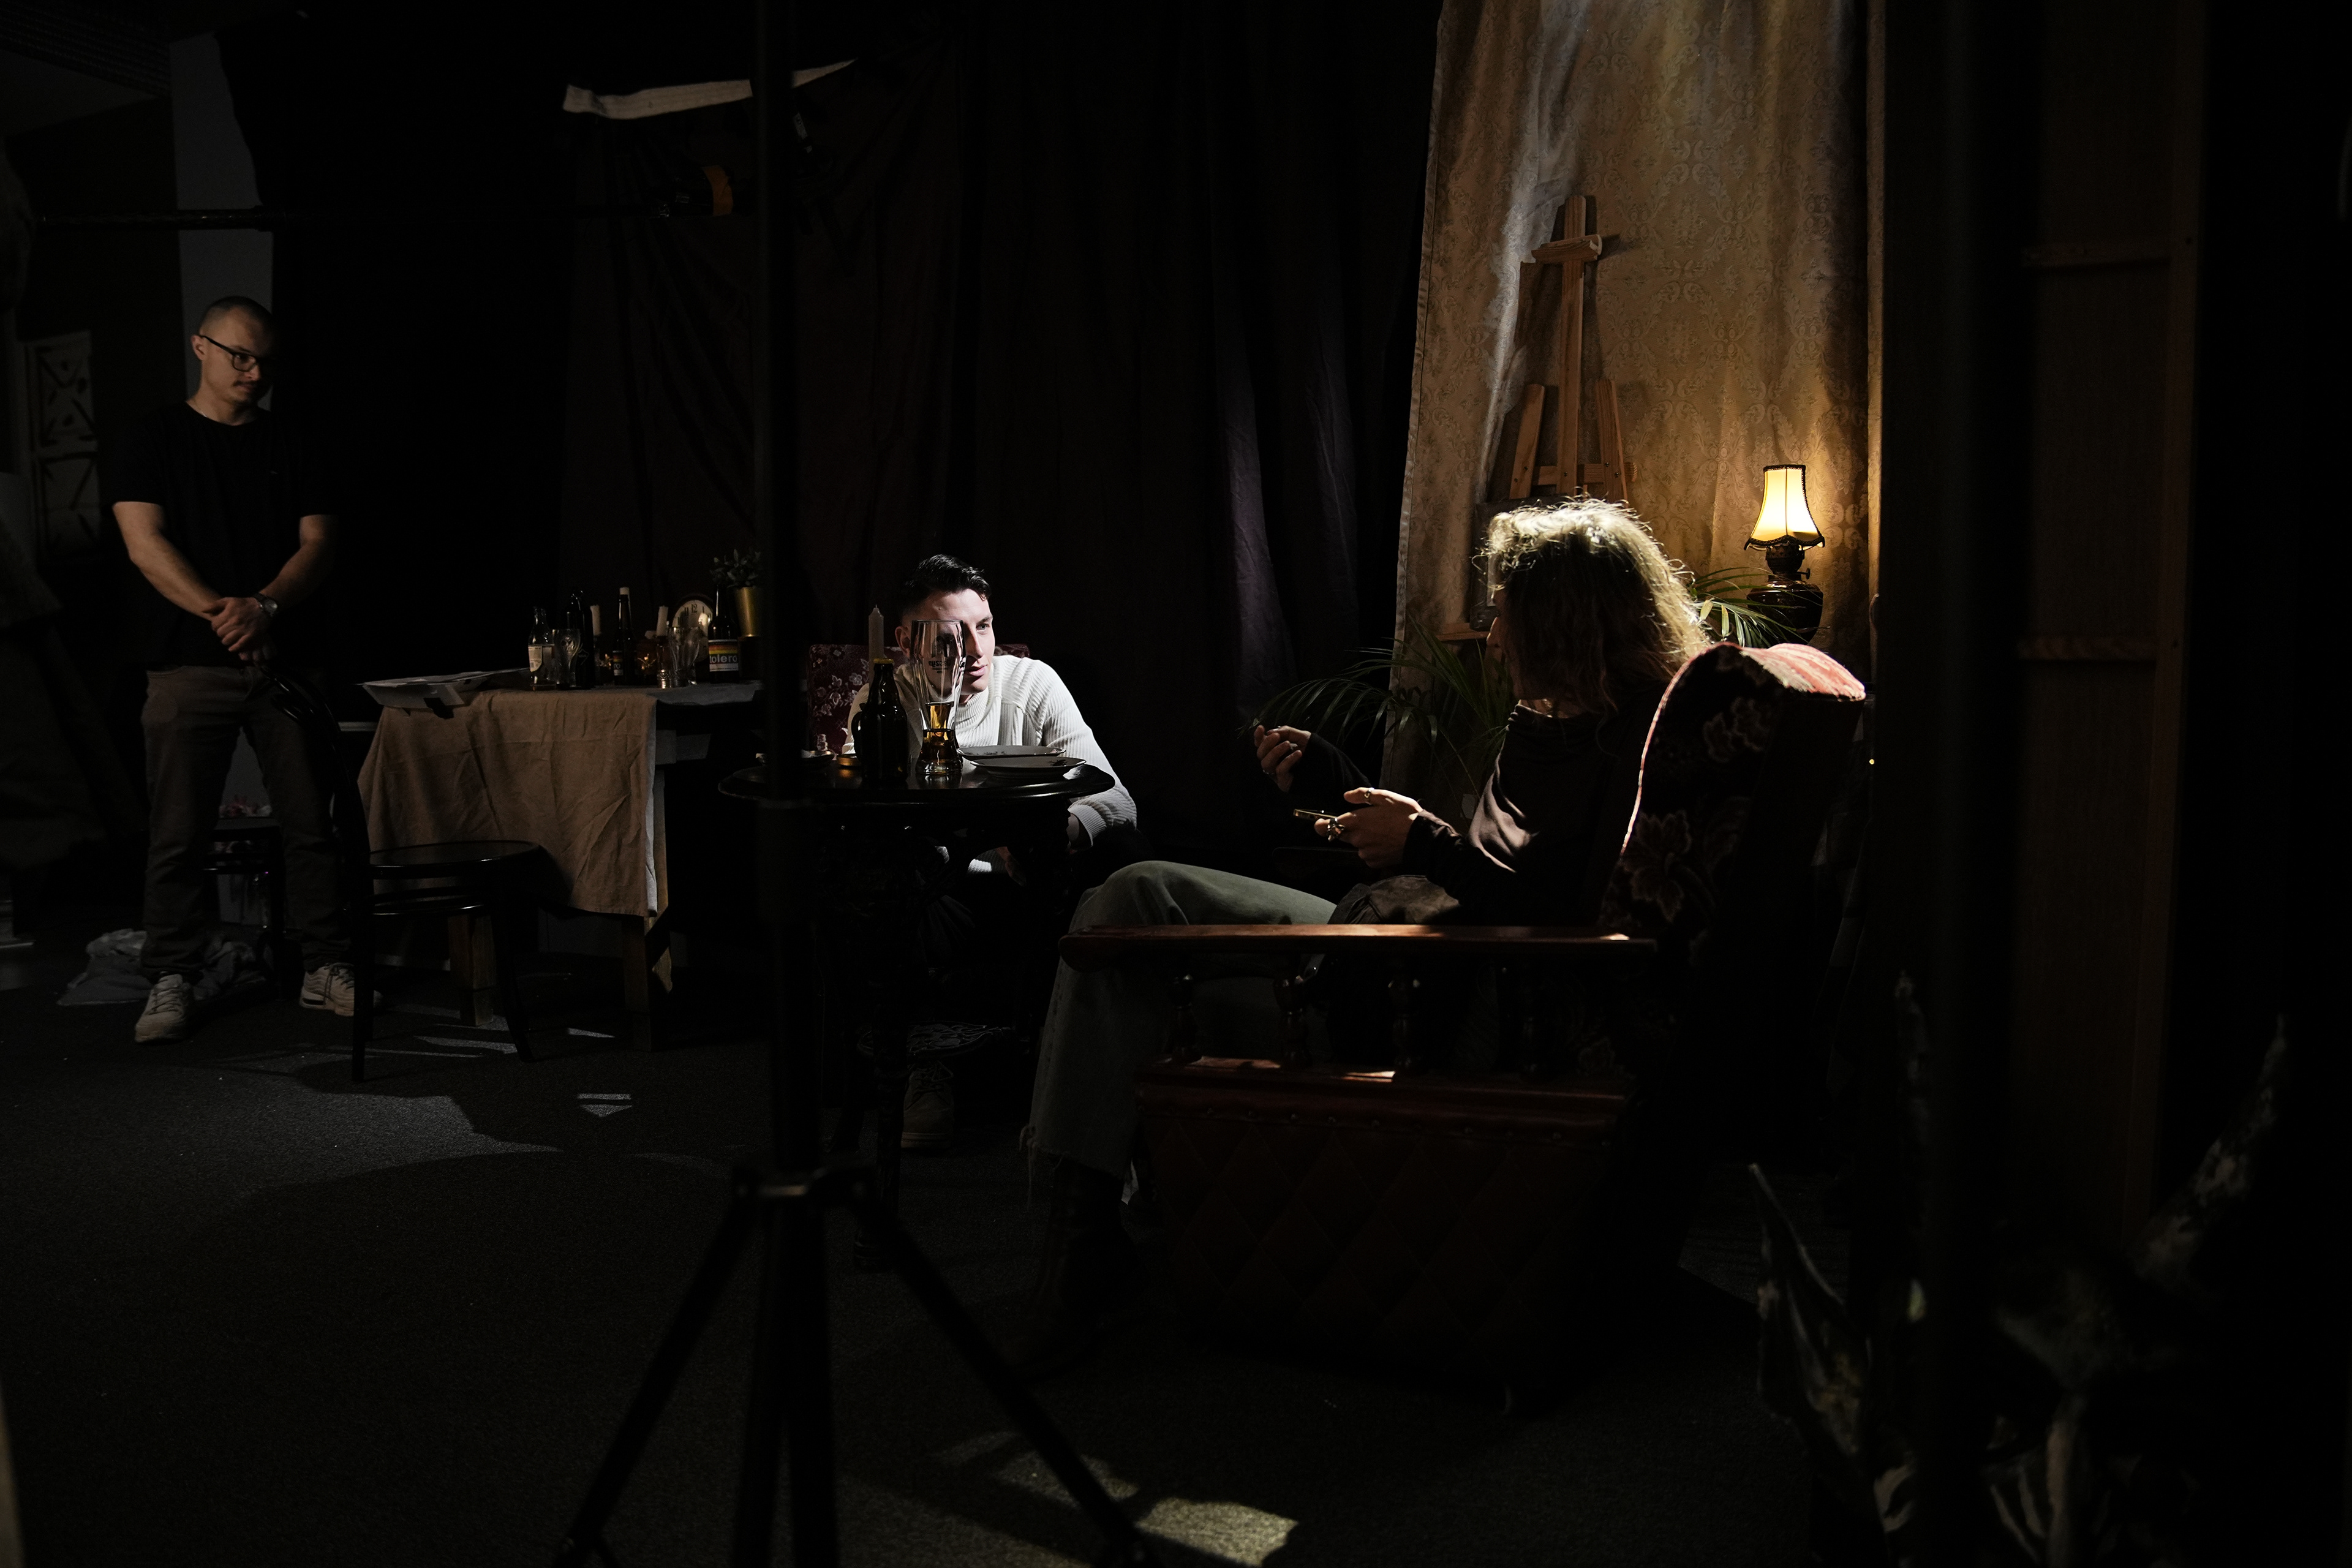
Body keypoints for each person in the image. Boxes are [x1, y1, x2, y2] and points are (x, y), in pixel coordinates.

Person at [1004, 498, 1711, 1376]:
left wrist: (1426, 845)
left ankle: (1074, 1256)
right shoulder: (1548, 719)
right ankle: (1079, 1237)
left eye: (1506, 614)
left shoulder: (1631, 743)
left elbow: (1571, 917)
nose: (1494, 637)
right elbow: (1488, 866)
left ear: (1564, 620)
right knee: (1130, 892)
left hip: (1429, 992)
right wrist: (1344, 790)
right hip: (1398, 934)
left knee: (1124, 959)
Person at [108, 296, 352, 1043]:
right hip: (188, 668)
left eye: (265, 361)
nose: (254, 372)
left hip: (288, 663)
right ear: (201, 347)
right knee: (178, 831)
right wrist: (231, 617)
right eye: (240, 355)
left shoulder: (294, 441)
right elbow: (145, 544)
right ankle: (172, 974)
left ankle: (325, 963)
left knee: (313, 823)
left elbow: (319, 543)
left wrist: (266, 609)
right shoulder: (151, 438)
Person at [845, 553, 1145, 1148]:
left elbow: (1116, 797)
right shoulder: (884, 700)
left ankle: (1081, 1074)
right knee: (882, 874)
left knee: (1124, 851)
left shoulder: (1031, 683)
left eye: (983, 626)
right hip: (941, 891)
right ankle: (926, 1064)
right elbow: (864, 814)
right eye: (950, 635)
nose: (976, 650)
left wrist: (1057, 832)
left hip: (1030, 882)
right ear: (906, 641)